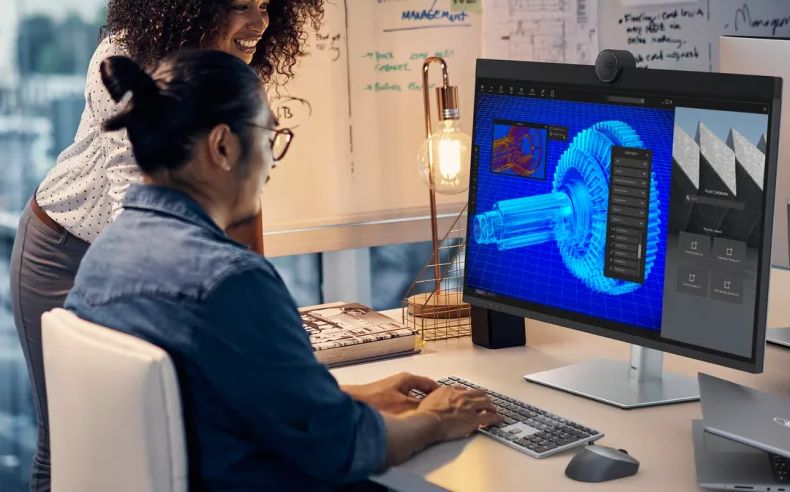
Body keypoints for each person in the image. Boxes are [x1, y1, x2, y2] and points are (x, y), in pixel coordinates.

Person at [63, 50, 502, 490]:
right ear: (223, 146)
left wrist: (350, 398)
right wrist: (438, 417)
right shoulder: (229, 281)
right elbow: (342, 448)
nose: (272, 163)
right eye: (270, 137)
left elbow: (202, 403)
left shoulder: (103, 257)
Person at [9, 2, 322, 489]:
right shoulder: (124, 58)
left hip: (140, 253)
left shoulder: (231, 68)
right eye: (241, 6)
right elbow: (131, 203)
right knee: (69, 437)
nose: (259, 24)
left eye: (265, 5)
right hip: (63, 249)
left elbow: (243, 194)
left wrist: (264, 304)